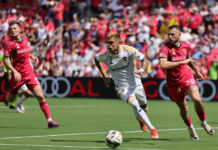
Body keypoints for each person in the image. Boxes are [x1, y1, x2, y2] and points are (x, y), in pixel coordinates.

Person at [94, 33, 159, 139]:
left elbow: (145, 60)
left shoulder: (128, 50)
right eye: (107, 43)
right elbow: (96, 59)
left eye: (111, 43)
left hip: (136, 83)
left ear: (118, 43)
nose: (108, 46)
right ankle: (153, 129)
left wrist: (142, 69)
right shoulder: (105, 55)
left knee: (144, 108)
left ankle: (139, 119)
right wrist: (104, 75)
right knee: (134, 105)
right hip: (121, 88)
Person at [159, 25, 215, 140]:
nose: (169, 36)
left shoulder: (186, 46)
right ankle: (190, 128)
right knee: (183, 108)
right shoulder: (165, 47)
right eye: (168, 34)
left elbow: (188, 59)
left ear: (179, 35)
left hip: (186, 76)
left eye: (172, 34)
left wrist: (196, 71)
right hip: (173, 82)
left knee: (197, 99)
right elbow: (163, 64)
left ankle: (203, 122)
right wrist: (182, 62)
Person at [3, 21, 59, 128]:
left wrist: (31, 56)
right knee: (9, 99)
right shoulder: (10, 45)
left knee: (40, 96)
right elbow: (6, 61)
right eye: (11, 29)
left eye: (14, 28)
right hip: (18, 76)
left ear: (20, 29)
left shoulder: (25, 40)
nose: (12, 30)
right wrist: (14, 72)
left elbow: (25, 51)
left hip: (29, 74)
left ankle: (50, 120)